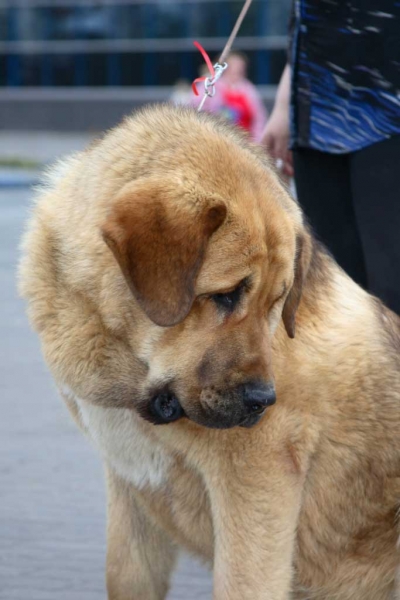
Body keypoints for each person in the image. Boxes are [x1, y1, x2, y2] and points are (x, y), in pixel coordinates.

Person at [262, 1, 400, 314]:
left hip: (390, 108)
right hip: (317, 106)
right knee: (330, 295)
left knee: (391, 290)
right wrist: (285, 104)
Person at [194, 51, 268, 143]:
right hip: (217, 141)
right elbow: (197, 105)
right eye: (233, 66)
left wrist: (256, 142)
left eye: (240, 67)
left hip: (245, 143)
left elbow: (259, 119)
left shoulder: (249, 89)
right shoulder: (213, 85)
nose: (236, 69)